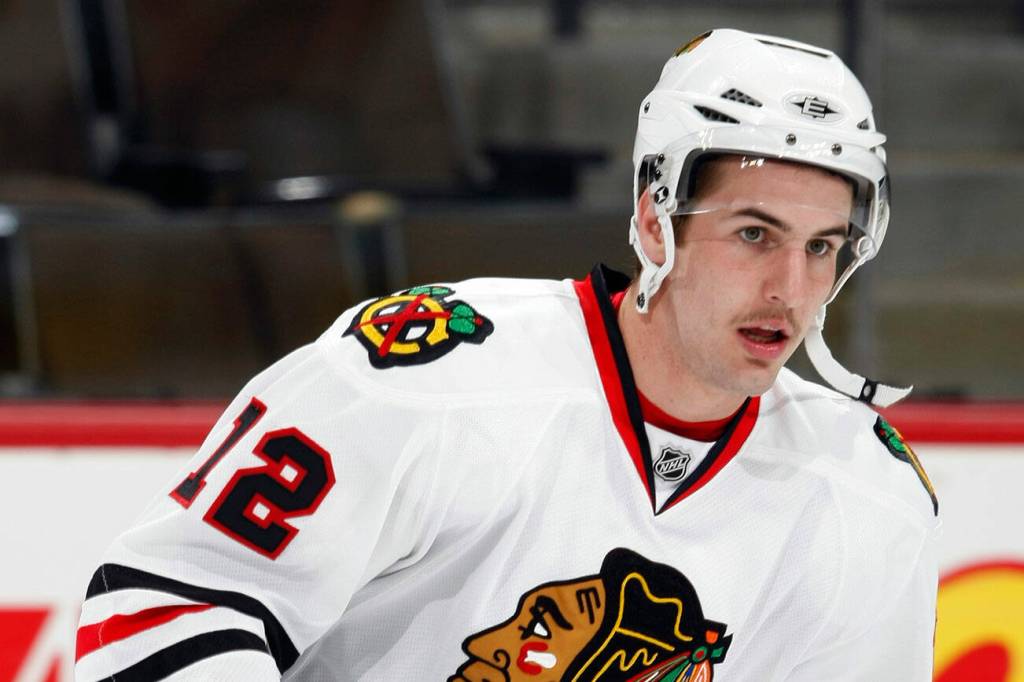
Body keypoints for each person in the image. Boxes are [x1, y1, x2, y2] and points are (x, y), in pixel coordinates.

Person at [75, 29, 939, 681]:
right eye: (755, 234)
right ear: (654, 222)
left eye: (823, 247)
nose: (792, 287)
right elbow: (163, 602)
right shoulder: (427, 373)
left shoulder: (864, 493)